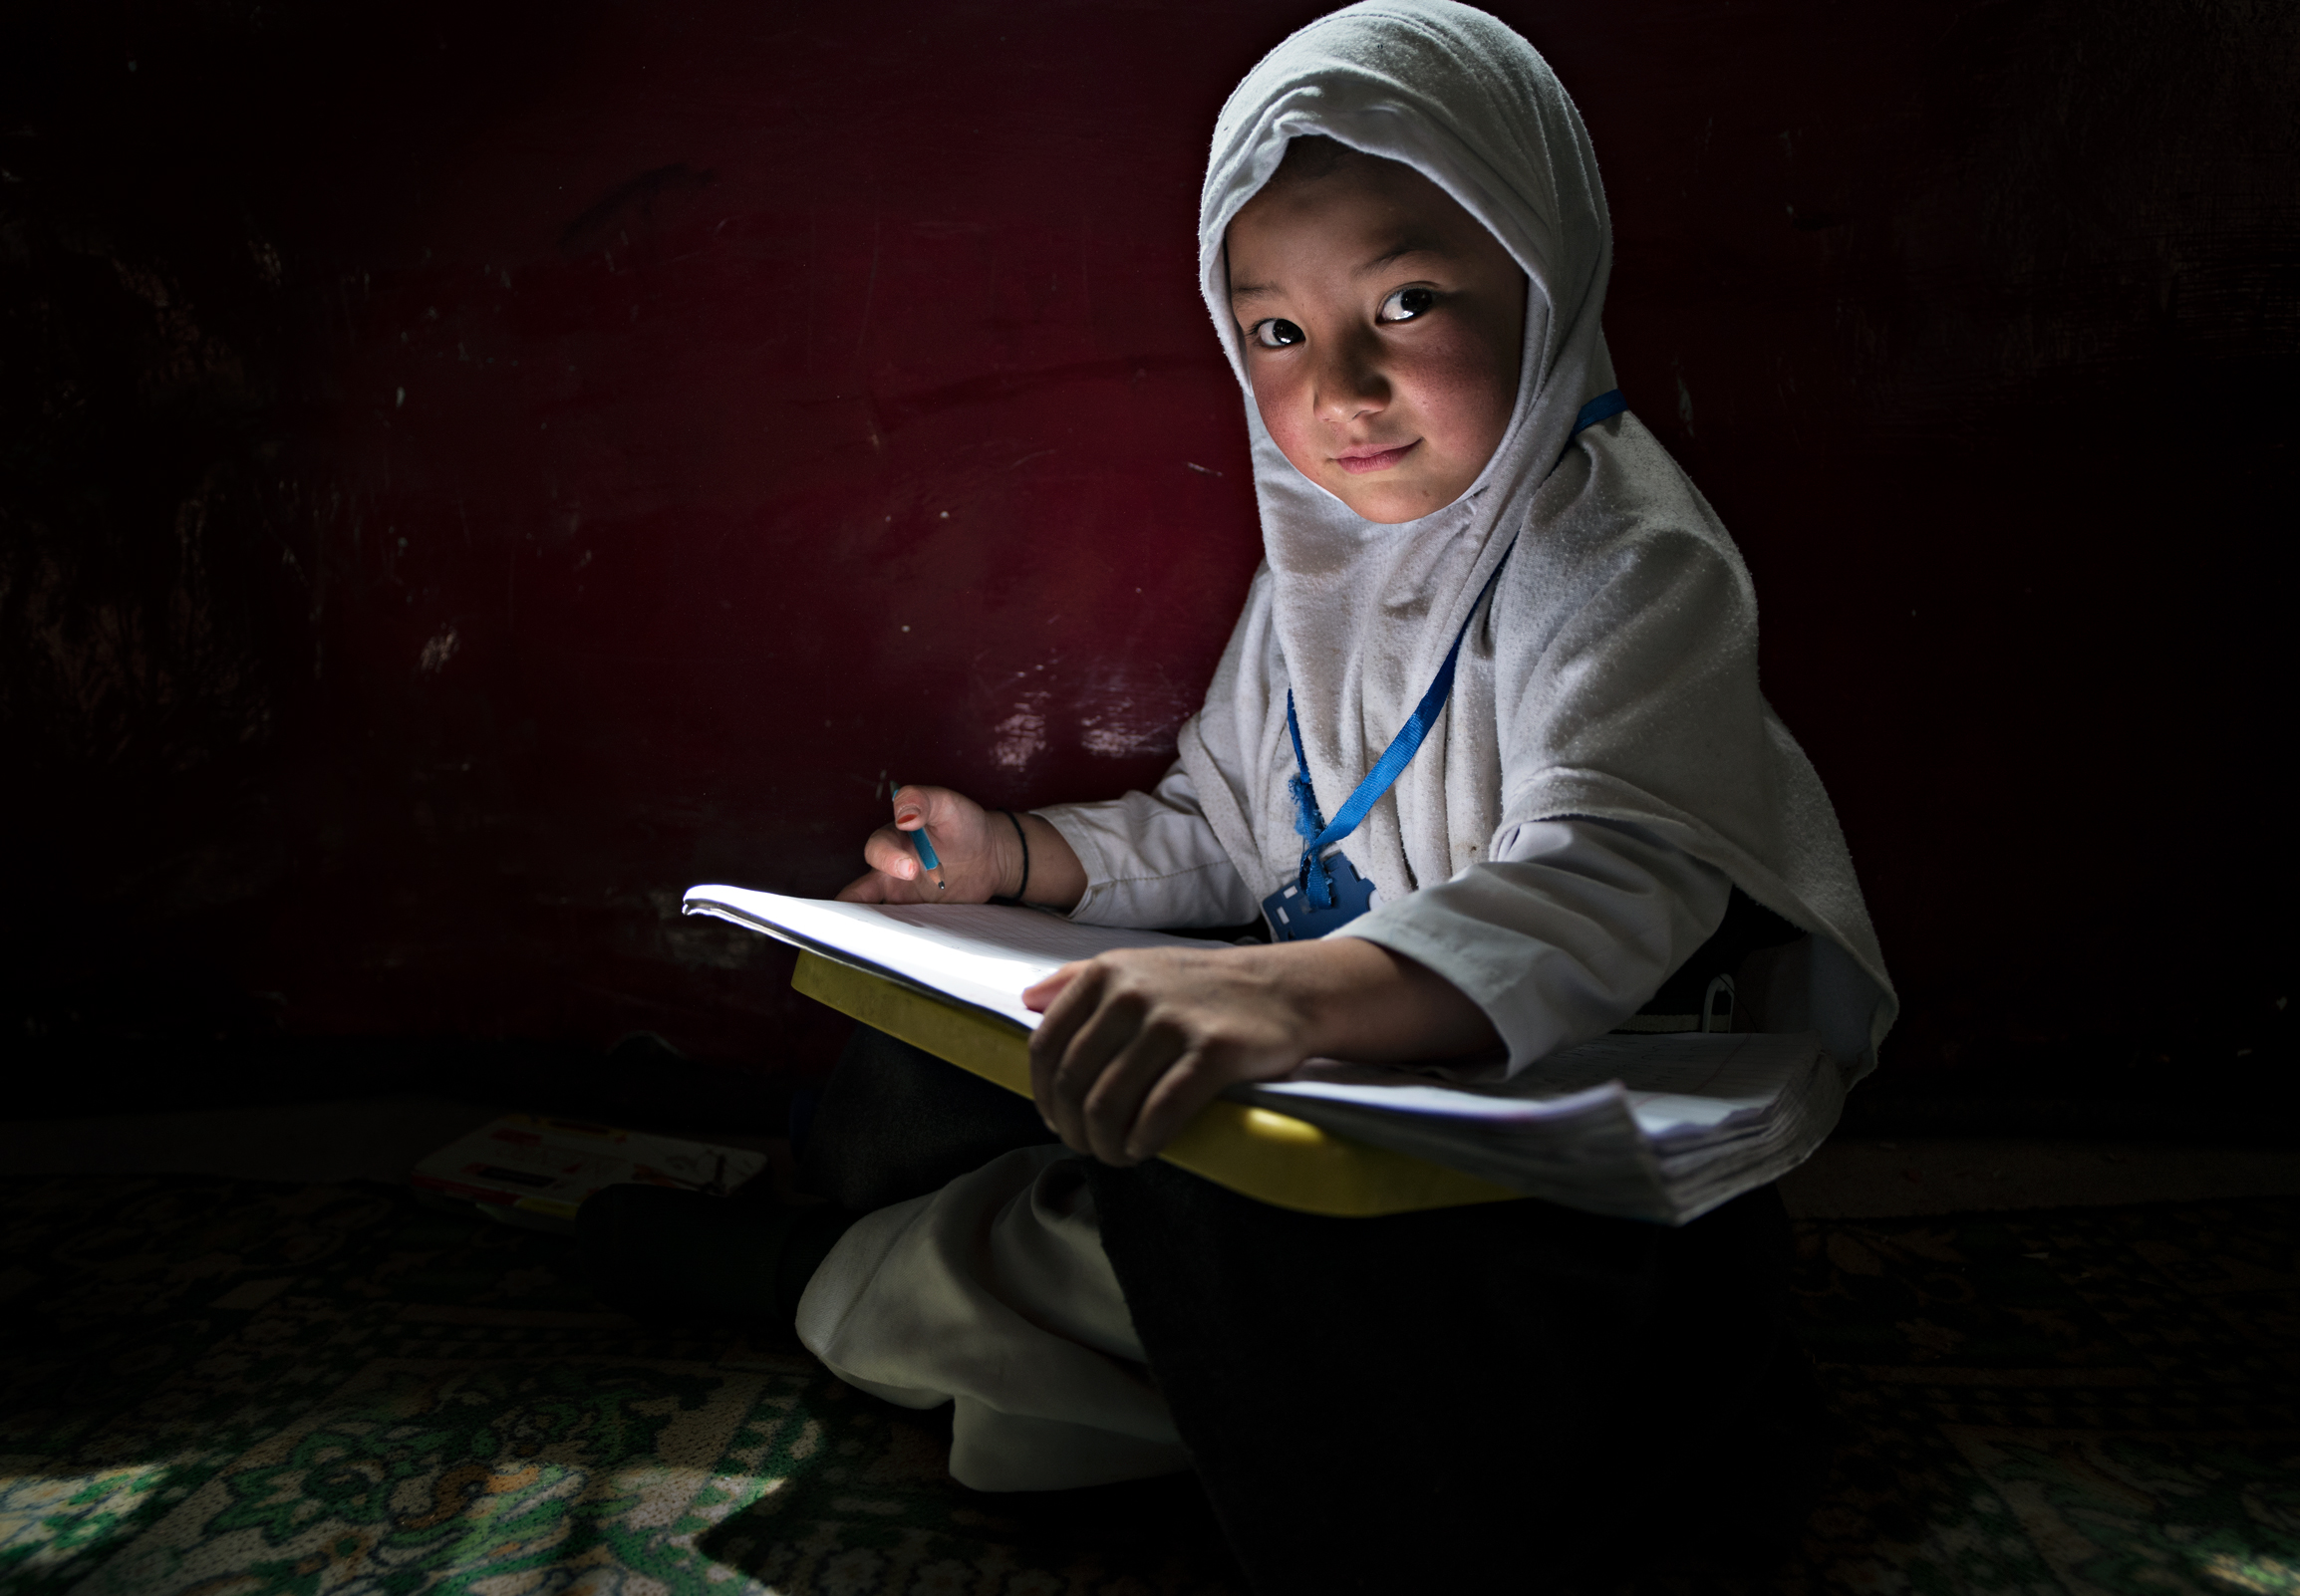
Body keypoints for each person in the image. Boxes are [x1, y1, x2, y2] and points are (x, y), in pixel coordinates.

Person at [591, 4, 1897, 1588]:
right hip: (1333, 1099)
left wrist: (1283, 1000)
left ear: (1548, 271)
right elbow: (1228, 828)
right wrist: (1020, 854)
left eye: (1408, 302)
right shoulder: (1319, 570)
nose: (1340, 386)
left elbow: (1613, 883)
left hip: (1536, 1167)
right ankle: (956, 1275)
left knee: (1189, 1254)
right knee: (927, 1072)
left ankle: (839, 1281)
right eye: (1275, 332)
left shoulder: (1624, 561)